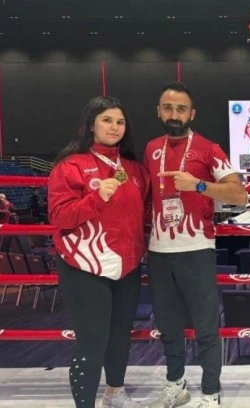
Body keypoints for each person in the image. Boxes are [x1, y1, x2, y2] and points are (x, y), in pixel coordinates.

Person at [144, 82, 247, 408]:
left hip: (197, 248)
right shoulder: (151, 149)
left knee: (205, 327)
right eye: (168, 108)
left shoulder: (208, 149)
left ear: (192, 113)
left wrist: (200, 186)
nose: (174, 114)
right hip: (159, 250)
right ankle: (176, 384)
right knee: (167, 326)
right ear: (159, 111)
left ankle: (211, 393)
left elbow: (239, 195)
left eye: (181, 109)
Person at [48, 96, 149, 408]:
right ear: (91, 124)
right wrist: (96, 198)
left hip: (127, 266)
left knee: (120, 336)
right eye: (107, 120)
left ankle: (115, 394)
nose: (114, 127)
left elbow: (144, 216)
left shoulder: (134, 170)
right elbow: (60, 217)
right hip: (84, 266)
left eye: (120, 122)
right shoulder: (70, 166)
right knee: (92, 341)